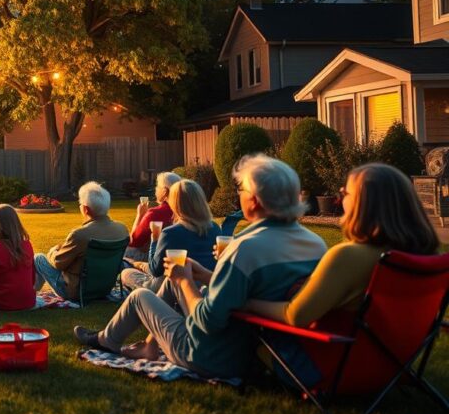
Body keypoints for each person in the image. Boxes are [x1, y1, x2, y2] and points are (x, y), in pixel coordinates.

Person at [73, 155, 327, 379]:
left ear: (256, 201)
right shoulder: (316, 244)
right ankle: (149, 346)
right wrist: (202, 274)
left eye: (242, 189)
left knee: (140, 296)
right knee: (174, 279)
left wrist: (185, 280)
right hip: (255, 352)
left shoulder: (247, 248)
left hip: (210, 355)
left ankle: (107, 340)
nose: (239, 194)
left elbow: (207, 321)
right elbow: (246, 292)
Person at [242, 163, 439, 384]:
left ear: (363, 203)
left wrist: (248, 304)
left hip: (331, 370)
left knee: (248, 328)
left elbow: (294, 315)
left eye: (344, 193)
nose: (339, 199)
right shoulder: (425, 258)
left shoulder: (348, 256)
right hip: (392, 369)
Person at [33, 181, 128, 301]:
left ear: (86, 209)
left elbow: (58, 263)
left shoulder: (80, 234)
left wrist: (53, 251)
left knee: (39, 258)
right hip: (105, 288)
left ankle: (30, 295)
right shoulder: (122, 230)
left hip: (78, 292)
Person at [121, 179, 219, 292]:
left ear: (175, 203)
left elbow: (155, 270)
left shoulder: (170, 233)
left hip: (171, 288)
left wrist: (155, 240)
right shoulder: (215, 228)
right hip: (206, 284)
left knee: (126, 273)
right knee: (136, 266)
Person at [126, 172, 182, 261]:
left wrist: (140, 215)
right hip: (179, 259)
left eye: (157, 186)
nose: (155, 189)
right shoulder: (185, 212)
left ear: (164, 191)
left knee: (122, 250)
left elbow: (134, 241)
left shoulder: (155, 213)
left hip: (156, 260)